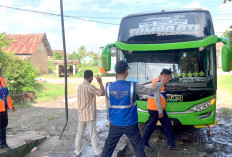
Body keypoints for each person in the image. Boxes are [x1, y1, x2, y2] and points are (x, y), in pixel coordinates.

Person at [101, 60, 171, 157]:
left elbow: (107, 106)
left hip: (115, 124)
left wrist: (109, 119)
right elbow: (150, 90)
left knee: (107, 148)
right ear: (126, 71)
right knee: (138, 148)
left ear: (116, 72)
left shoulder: (109, 87)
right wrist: (161, 83)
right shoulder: (132, 86)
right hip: (131, 125)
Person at [142, 69, 176, 150]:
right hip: (155, 109)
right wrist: (160, 112)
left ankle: (171, 144)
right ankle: (143, 143)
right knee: (151, 126)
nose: (169, 79)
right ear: (164, 75)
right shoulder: (157, 83)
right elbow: (157, 98)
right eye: (168, 77)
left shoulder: (159, 82)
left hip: (157, 108)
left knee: (166, 125)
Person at [75, 70, 105, 157]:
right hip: (89, 115)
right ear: (91, 77)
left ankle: (77, 152)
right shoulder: (90, 87)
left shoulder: (79, 86)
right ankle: (97, 152)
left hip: (81, 114)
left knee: (79, 134)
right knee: (93, 134)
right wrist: (100, 82)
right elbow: (102, 93)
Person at [0, 67, 15, 150]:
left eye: (1, 71)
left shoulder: (2, 80)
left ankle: (2, 143)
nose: (0, 73)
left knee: (3, 126)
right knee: (1, 127)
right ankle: (2, 144)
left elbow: (7, 95)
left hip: (3, 108)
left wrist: (11, 105)